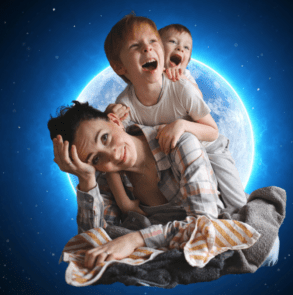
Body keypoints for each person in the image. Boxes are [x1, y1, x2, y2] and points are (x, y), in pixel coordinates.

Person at [48, 101, 261, 270]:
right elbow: (95, 244)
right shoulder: (107, 176)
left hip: (222, 216)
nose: (111, 154)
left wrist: (136, 239)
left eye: (105, 137)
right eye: (95, 159)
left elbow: (203, 226)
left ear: (114, 120)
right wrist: (86, 180)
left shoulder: (181, 143)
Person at [103, 15, 247, 218]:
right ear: (119, 67)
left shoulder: (181, 88)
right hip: (173, 161)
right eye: (135, 46)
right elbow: (112, 155)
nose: (147, 48)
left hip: (210, 148)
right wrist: (124, 202)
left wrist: (182, 125)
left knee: (238, 205)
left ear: (161, 51)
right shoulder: (125, 105)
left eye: (153, 41)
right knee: (187, 206)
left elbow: (213, 132)